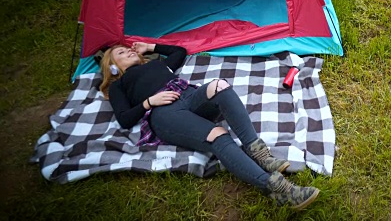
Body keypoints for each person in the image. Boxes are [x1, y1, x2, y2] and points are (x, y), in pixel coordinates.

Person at [98, 42, 319, 210]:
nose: (128, 51)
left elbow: (180, 52)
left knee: (220, 86)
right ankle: (277, 189)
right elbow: (125, 119)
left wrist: (150, 47)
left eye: (129, 49)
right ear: (112, 66)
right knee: (218, 136)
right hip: (165, 113)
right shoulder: (119, 85)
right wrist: (148, 103)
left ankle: (259, 153)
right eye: (121, 53)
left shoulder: (157, 64)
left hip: (189, 95)